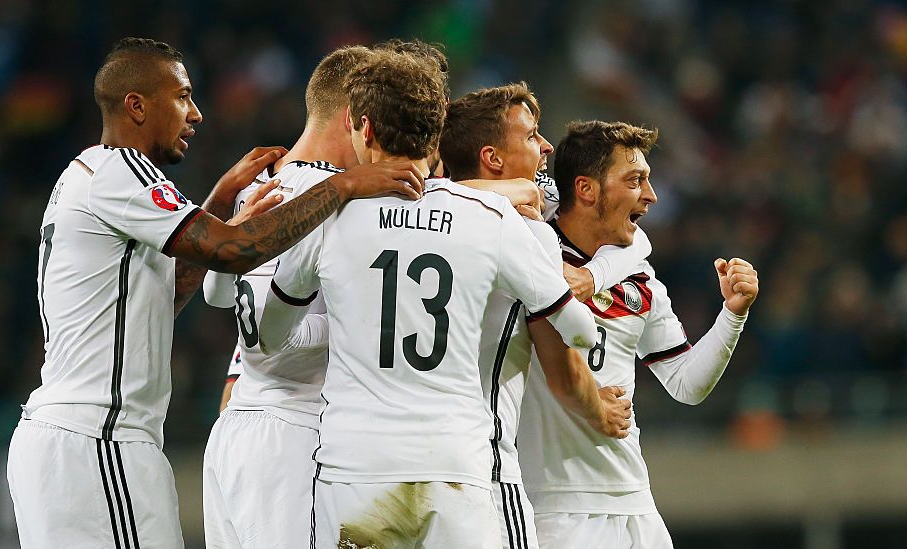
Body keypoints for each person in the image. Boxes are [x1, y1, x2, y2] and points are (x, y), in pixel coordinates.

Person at [5, 37, 425, 549]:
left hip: (89, 438)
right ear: (136, 106)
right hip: (96, 438)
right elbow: (234, 252)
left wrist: (218, 201)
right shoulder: (119, 169)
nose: (196, 114)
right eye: (182, 96)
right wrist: (345, 186)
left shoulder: (89, 177)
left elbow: (165, 293)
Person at [258, 50, 597, 549]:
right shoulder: (490, 216)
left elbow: (269, 338)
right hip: (457, 467)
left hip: (356, 470)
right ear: (435, 134)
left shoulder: (328, 219)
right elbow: (580, 331)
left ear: (364, 129)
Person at [517, 120, 759, 548]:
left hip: (638, 505)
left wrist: (733, 314)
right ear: (587, 189)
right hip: (553, 506)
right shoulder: (527, 253)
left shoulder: (640, 275)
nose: (651, 195)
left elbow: (686, 383)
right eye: (635, 180)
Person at [438, 83, 650, 549]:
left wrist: (592, 276)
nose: (548, 147)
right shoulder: (524, 229)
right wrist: (599, 409)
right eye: (533, 137)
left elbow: (638, 240)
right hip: (488, 454)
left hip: (402, 448)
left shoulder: (423, 213)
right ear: (493, 158)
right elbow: (566, 342)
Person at [201, 44, 373, 549]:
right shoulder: (343, 200)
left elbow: (219, 295)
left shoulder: (257, 186)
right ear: (354, 118)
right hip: (297, 437)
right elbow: (269, 342)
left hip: (235, 431)